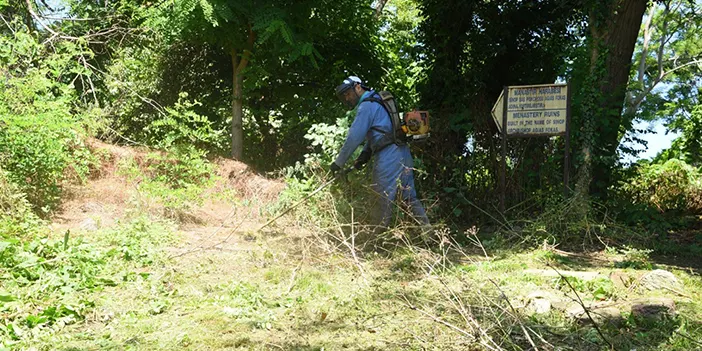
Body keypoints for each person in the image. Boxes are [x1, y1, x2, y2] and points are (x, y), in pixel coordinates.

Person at [330, 76, 430, 234]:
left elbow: (354, 138)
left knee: (380, 196)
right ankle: (429, 233)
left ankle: (376, 239)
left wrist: (338, 163)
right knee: (409, 197)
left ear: (358, 87)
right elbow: (382, 131)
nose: (346, 98)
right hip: (402, 152)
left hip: (389, 156)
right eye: (344, 96)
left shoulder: (367, 106)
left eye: (348, 93)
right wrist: (365, 155)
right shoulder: (379, 100)